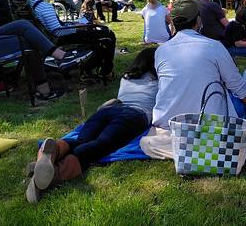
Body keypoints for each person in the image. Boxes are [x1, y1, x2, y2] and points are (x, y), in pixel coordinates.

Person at [25, 48, 158, 204]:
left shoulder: (126, 78)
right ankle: (55, 175)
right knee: (98, 146)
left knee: (81, 139)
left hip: (109, 109)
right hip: (134, 116)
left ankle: (51, 154)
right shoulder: (159, 81)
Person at [152, 0, 246, 129]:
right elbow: (239, 88)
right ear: (198, 20)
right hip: (209, 127)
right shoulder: (214, 47)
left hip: (167, 123)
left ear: (173, 21)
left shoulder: (161, 51)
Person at [25, 0, 117, 82]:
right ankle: (105, 72)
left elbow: (56, 27)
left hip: (50, 37)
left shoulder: (31, 3)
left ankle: (89, 70)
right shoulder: (44, 6)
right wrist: (77, 27)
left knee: (98, 35)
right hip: (58, 38)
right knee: (107, 34)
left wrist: (74, 24)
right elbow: (57, 31)